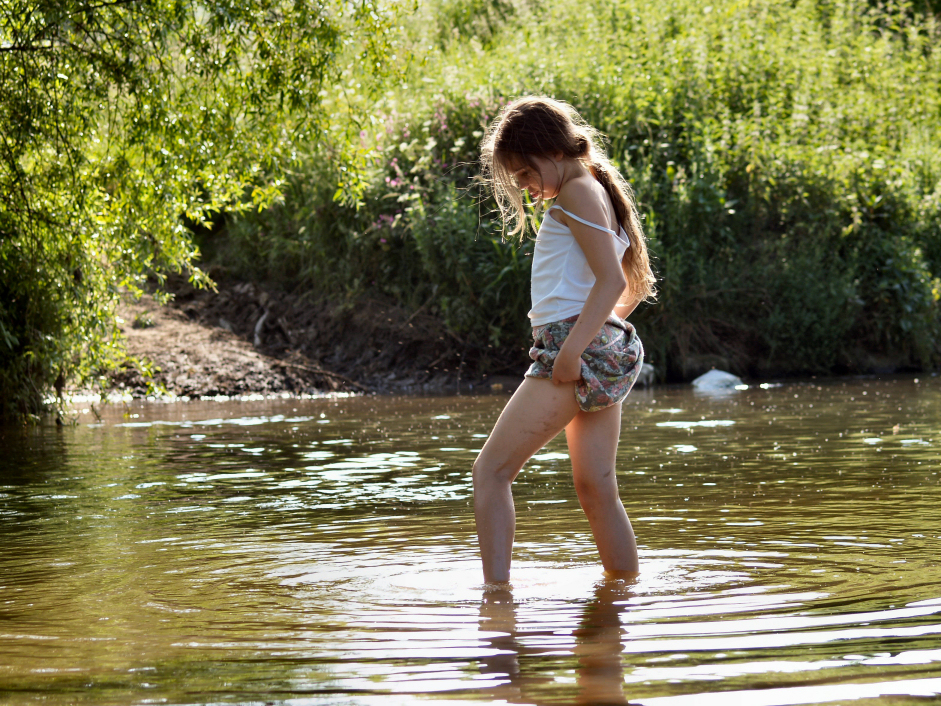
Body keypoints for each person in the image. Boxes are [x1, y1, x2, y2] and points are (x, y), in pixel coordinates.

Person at [474, 96, 656, 584]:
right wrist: (598, 338)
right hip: (593, 344)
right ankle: (622, 595)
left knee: (489, 474)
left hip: (572, 347)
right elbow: (630, 286)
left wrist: (574, 349)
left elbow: (613, 284)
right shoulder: (594, 188)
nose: (527, 188)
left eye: (525, 174)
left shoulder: (576, 191)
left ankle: (496, 604)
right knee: (597, 488)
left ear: (548, 150)